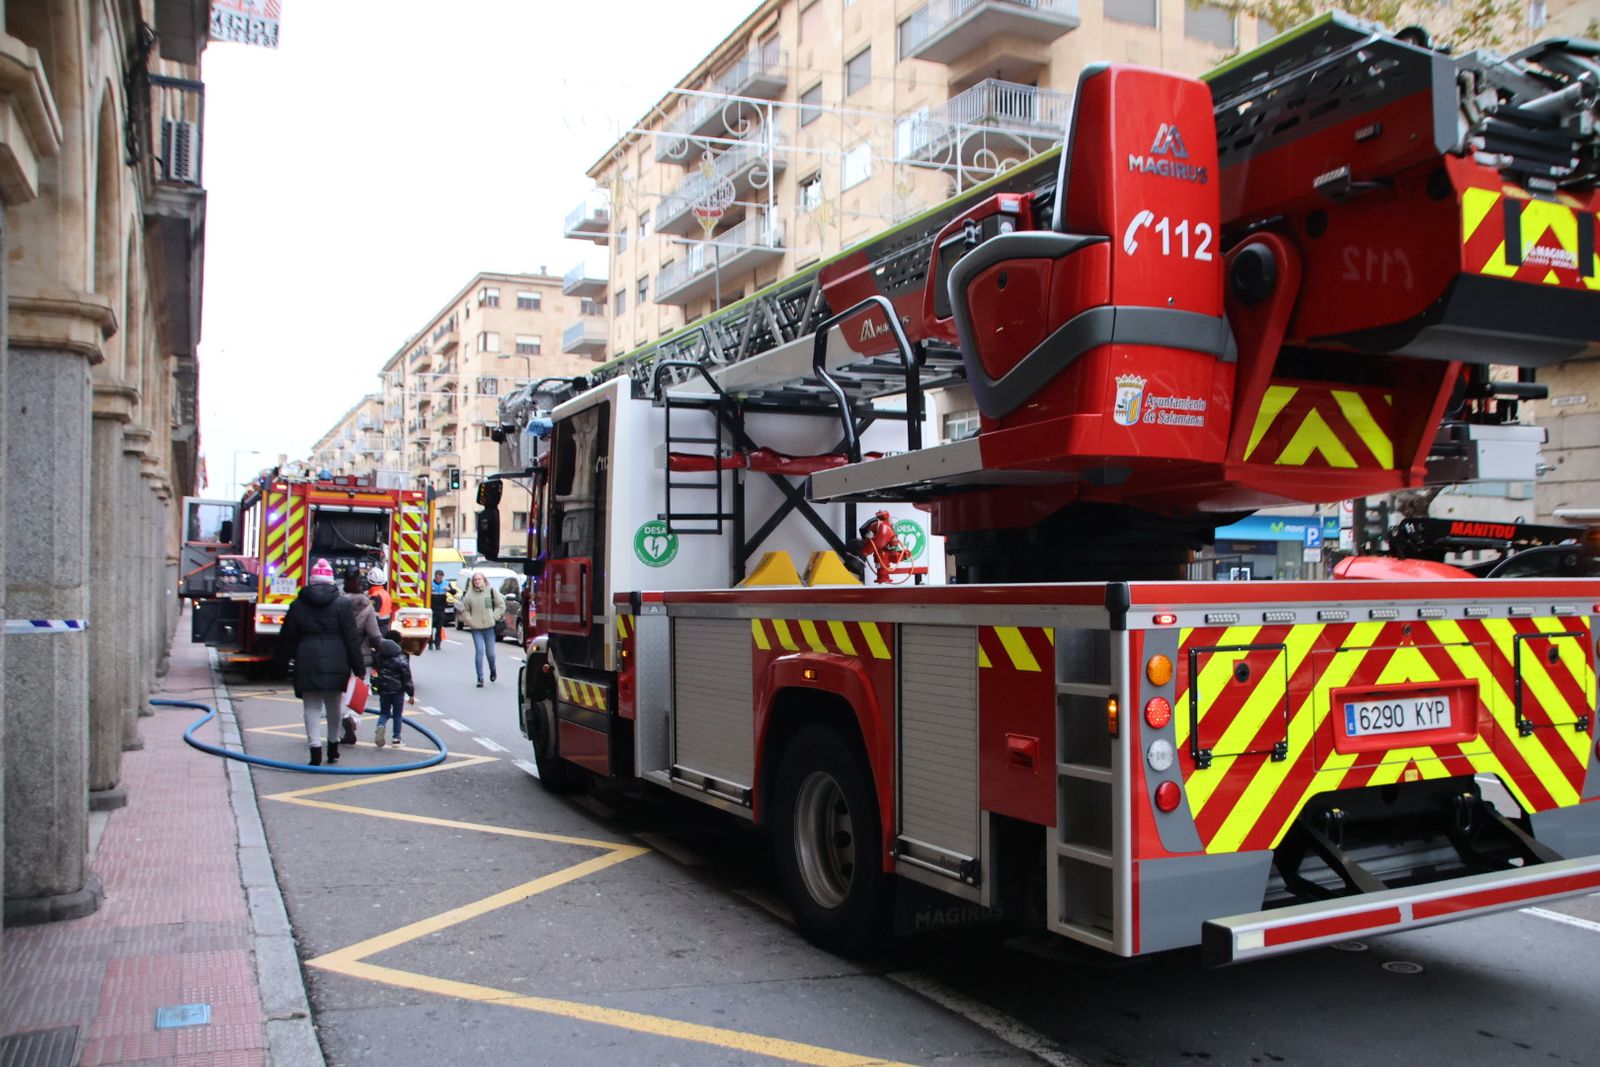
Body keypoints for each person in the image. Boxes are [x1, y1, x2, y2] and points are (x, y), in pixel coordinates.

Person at [275, 558, 364, 765]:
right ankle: (333, 748)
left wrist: (279, 665)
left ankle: (315, 751)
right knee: (333, 706)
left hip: (307, 660)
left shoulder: (298, 605)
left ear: (312, 581)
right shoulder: (343, 604)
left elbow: (286, 637)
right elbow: (352, 638)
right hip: (337, 661)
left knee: (311, 706)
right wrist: (358, 668)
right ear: (332, 581)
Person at [342, 566, 383, 745]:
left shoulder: (338, 603)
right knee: (358, 692)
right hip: (361, 656)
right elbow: (374, 635)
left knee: (340, 693)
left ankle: (341, 724)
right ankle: (354, 721)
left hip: (339, 655)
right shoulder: (367, 607)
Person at [457, 571, 505, 687]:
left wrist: (494, 616)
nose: (477, 581)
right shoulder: (469, 595)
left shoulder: (491, 591)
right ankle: (480, 677)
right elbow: (464, 610)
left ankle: (492, 669)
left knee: (490, 653)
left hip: (489, 627)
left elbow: (501, 605)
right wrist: (470, 620)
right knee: (479, 651)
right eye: (475, 580)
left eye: (479, 579)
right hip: (476, 628)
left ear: (484, 580)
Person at [371, 628, 415, 748]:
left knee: (384, 712)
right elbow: (407, 677)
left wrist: (375, 688)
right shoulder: (401, 658)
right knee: (397, 714)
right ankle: (396, 738)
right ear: (398, 643)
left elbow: (374, 673)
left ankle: (381, 726)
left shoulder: (379, 656)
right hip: (398, 691)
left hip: (383, 690)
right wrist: (410, 694)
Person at [429, 568, 448, 650]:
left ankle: (437, 644)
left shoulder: (446, 584)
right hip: (431, 608)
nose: (439, 578)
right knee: (430, 627)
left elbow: (454, 592)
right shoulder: (430, 584)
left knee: (439, 627)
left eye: (440, 577)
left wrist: (449, 589)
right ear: (435, 576)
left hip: (441, 609)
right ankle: (430, 643)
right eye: (437, 577)